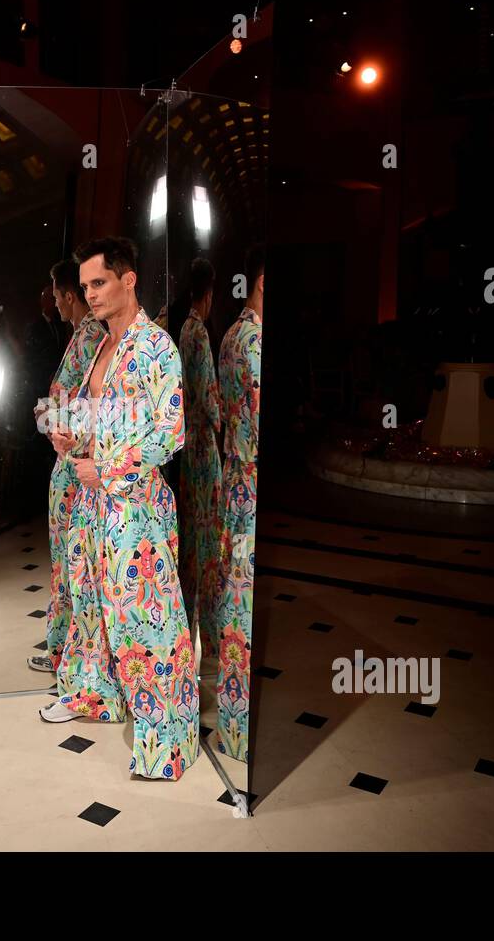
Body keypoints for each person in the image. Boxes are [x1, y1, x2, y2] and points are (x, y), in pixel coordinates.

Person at [40, 236, 199, 782]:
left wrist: (107, 468)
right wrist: (68, 434)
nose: (89, 295)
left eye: (99, 283)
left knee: (148, 625)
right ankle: (94, 695)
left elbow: (170, 434)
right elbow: (98, 417)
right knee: (90, 608)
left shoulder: (157, 347)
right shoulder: (102, 346)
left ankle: (167, 745)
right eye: (83, 287)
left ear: (129, 280)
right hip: (92, 508)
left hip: (134, 509)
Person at [26, 259, 106, 674]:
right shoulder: (85, 334)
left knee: (70, 560)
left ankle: (68, 653)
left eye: (57, 297)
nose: (55, 305)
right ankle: (65, 648)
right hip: (72, 456)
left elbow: (76, 401)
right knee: (68, 560)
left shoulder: (91, 333)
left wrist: (52, 415)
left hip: (77, 460)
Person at [212, 243, 264, 763]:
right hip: (248, 483)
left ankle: (234, 728)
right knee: (242, 608)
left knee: (236, 603)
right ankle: (240, 734)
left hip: (235, 481)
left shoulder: (230, 334)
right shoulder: (254, 341)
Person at [178, 257, 224, 661]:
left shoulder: (182, 330)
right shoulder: (199, 332)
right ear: (208, 293)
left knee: (193, 538)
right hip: (204, 446)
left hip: (186, 445)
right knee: (207, 540)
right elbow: (210, 399)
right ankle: (209, 635)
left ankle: (193, 629)